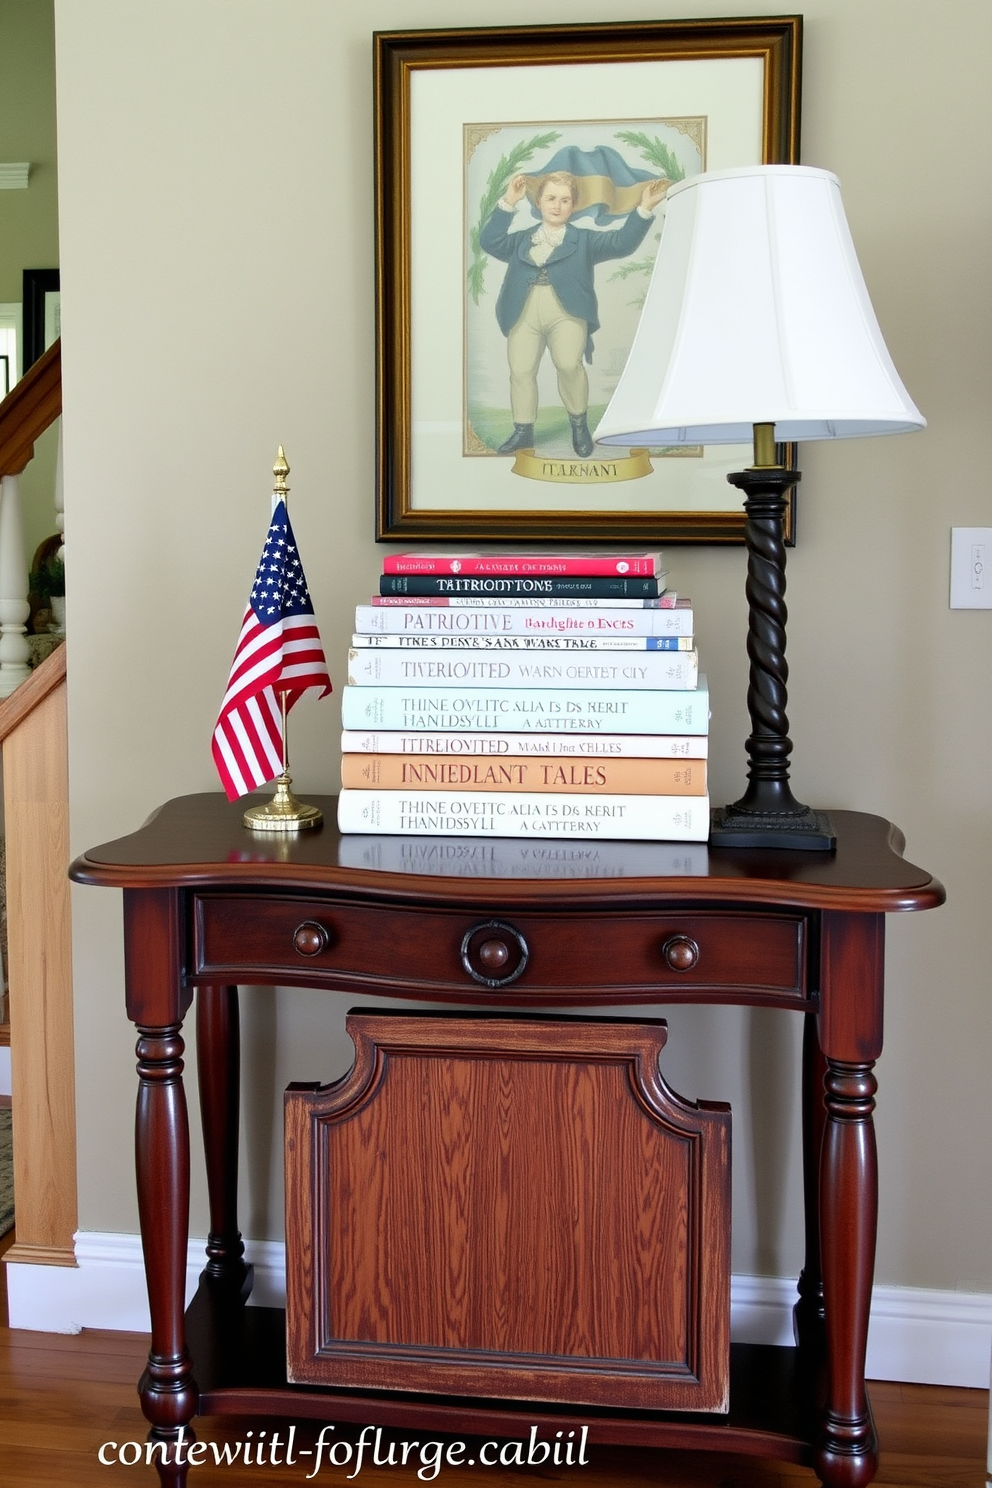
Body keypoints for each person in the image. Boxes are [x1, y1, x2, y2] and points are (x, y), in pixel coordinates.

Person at [480, 169, 667, 458]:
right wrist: (508, 201)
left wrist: (644, 208)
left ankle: (579, 425)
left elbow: (622, 243)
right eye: (551, 198)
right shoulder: (520, 240)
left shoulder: (585, 241)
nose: (557, 205)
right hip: (523, 311)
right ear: (539, 202)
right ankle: (523, 431)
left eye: (565, 200)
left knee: (569, 365)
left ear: (574, 205)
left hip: (567, 312)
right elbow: (489, 242)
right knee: (520, 371)